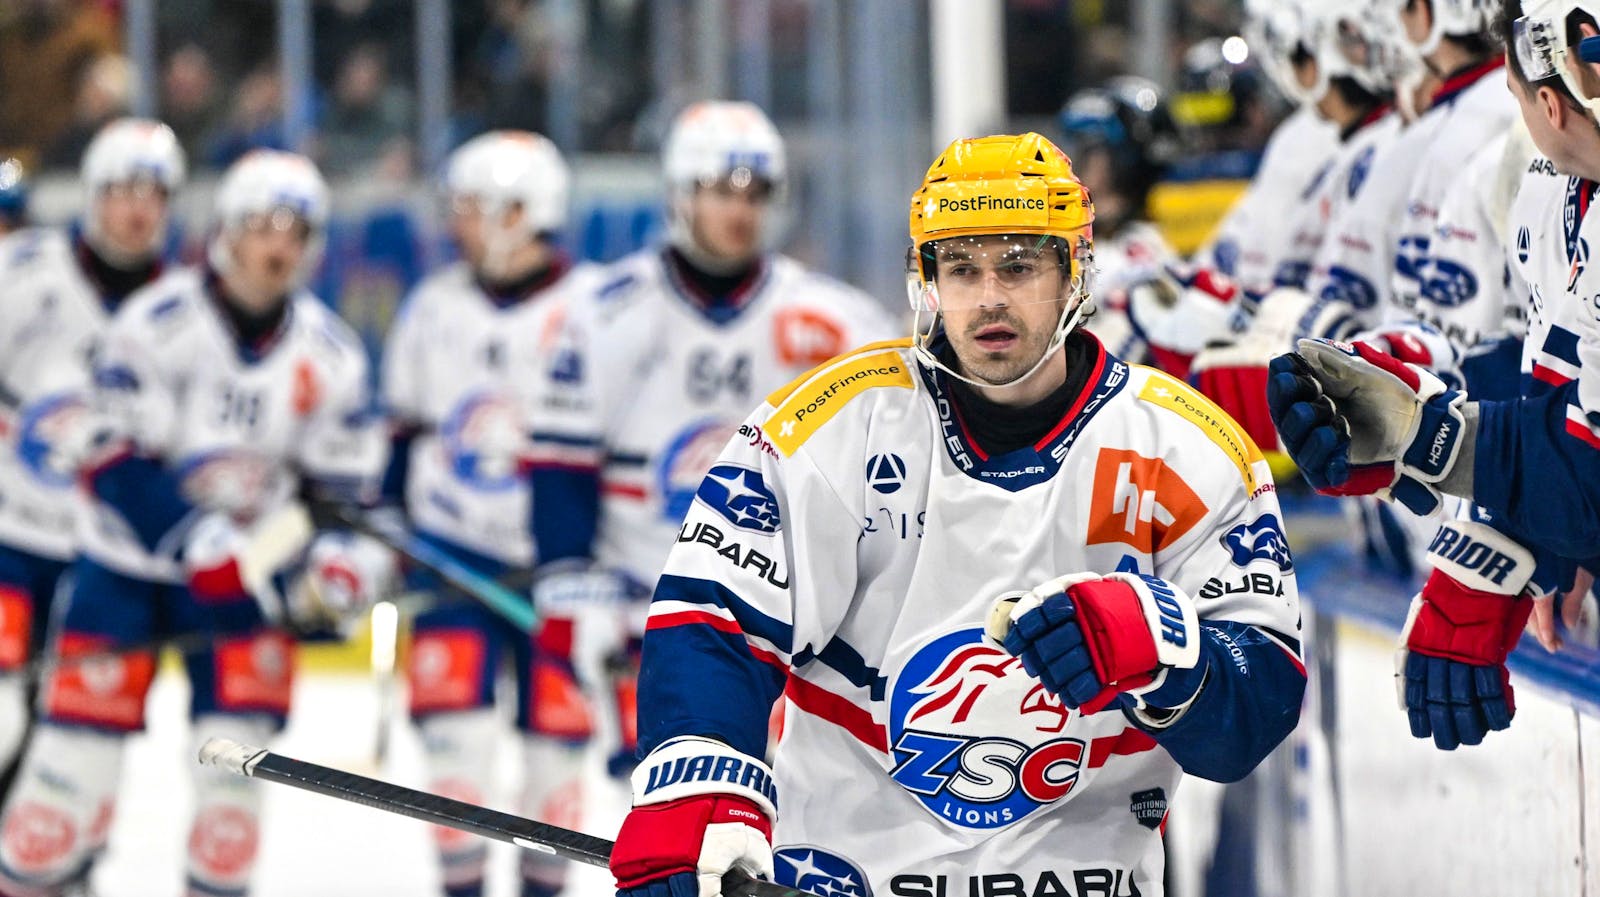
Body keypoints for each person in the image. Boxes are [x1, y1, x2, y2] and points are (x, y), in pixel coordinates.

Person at [605, 131, 1306, 897]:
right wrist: (696, 785)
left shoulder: (1188, 450)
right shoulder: (828, 427)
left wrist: (1174, 653)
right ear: (927, 278)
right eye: (962, 268)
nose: (989, 298)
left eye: (1018, 265)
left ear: (1074, 272)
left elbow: (1255, 709)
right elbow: (716, 619)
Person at [0, 149, 392, 896]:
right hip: (122, 576)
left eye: (296, 231)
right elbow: (112, 460)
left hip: (242, 593)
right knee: (58, 798)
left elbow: (344, 496)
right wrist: (196, 536)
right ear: (226, 232)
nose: (279, 246)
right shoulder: (157, 322)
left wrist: (342, 564)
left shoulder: (332, 355)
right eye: (262, 227)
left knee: (229, 817)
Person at [525, 100, 899, 775]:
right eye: (720, 189)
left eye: (756, 191)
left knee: (791, 809)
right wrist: (569, 588)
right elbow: (562, 466)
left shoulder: (838, 321)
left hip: (789, 613)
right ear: (678, 193)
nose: (741, 209)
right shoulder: (605, 312)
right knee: (664, 806)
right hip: (646, 609)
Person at [1265, 0, 1600, 749]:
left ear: (1546, 102)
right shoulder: (1539, 177)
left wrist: (1432, 442)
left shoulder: (1498, 151)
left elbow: (1586, 468)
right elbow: (1539, 376)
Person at [380, 130, 600, 897]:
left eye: (474, 208)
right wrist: (388, 531)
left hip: (561, 571)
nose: (459, 224)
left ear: (521, 211)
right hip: (454, 558)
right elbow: (401, 438)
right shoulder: (433, 307)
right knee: (455, 750)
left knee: (556, 758)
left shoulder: (592, 309)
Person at [0, 119, 183, 807]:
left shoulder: (184, 307)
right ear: (89, 194)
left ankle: (55, 867)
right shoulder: (19, 272)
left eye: (153, 193)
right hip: (10, 540)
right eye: (120, 191)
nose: (136, 211)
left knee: (77, 744)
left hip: (104, 556)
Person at [1059, 76, 1241, 379]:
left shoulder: (1149, 248)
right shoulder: (1074, 241)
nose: (1076, 169)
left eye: (1092, 152)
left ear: (1129, 164)